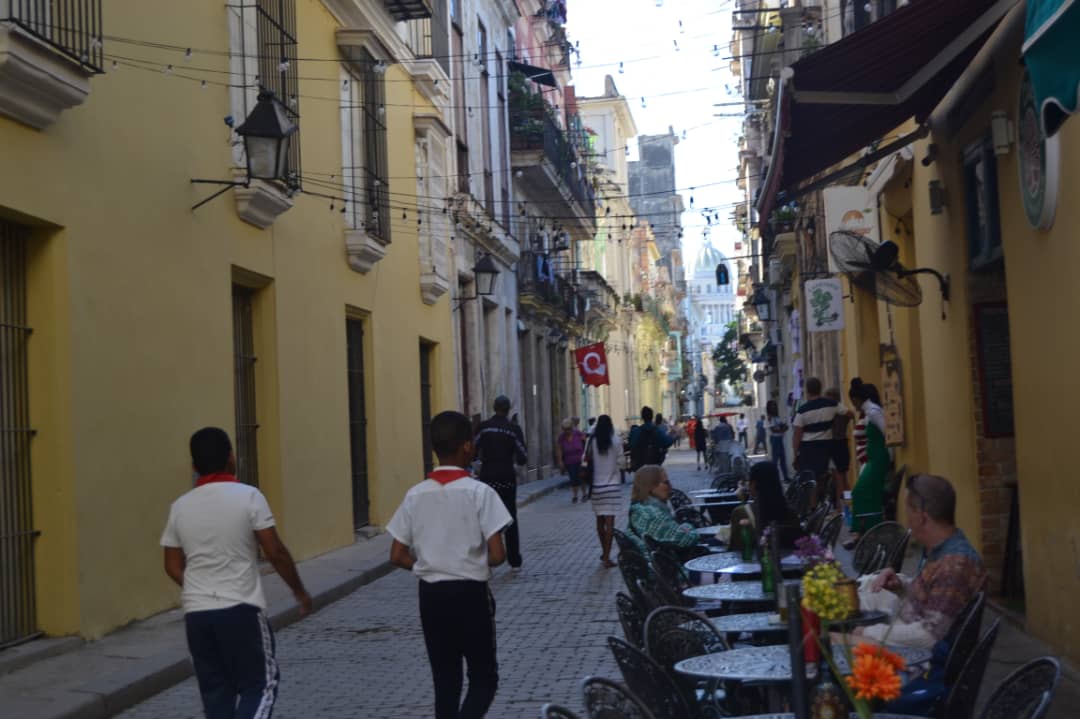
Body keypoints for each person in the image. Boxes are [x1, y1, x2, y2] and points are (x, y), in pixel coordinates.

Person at [161, 427, 312, 719]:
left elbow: (171, 565)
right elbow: (275, 552)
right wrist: (299, 591)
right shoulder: (249, 497)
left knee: (216, 693)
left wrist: (197, 585)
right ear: (232, 458)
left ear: (194, 466)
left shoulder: (180, 507)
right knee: (261, 685)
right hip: (241, 609)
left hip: (198, 615)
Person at [388, 411, 512, 719]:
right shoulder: (480, 493)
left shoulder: (415, 496)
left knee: (445, 683)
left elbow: (397, 554)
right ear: (467, 447)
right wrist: (469, 559)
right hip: (470, 594)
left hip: (431, 596)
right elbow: (498, 555)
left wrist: (427, 564)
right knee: (484, 678)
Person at [854, 474, 986, 648]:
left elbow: (928, 636)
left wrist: (868, 632)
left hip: (924, 662)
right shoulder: (942, 549)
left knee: (836, 640)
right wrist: (900, 586)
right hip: (906, 628)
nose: (907, 520)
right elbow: (931, 597)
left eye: (908, 512)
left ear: (922, 517)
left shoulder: (955, 565)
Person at [475, 395, 527, 570]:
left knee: (486, 517)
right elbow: (523, 457)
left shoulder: (483, 428)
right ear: (508, 408)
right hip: (506, 478)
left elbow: (473, 450)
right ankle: (514, 559)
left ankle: (488, 556)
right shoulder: (513, 429)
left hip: (488, 478)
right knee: (510, 518)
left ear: (493, 407)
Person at [842, 378, 889, 549]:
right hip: (873, 458)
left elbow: (887, 433)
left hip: (878, 458)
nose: (853, 405)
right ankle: (862, 532)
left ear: (857, 399)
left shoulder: (874, 412)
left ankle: (867, 531)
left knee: (861, 491)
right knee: (861, 492)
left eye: (853, 401)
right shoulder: (869, 412)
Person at [728, 461, 805, 553]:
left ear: (753, 484)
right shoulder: (791, 513)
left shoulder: (741, 513)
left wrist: (743, 502)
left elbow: (736, 548)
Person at [626, 465, 698, 556]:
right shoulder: (651, 515)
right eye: (666, 482)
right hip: (666, 567)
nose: (671, 486)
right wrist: (687, 526)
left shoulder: (640, 508)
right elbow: (687, 539)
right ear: (651, 486)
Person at [792, 377, 848, 484]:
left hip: (808, 450)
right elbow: (849, 413)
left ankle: (814, 500)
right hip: (828, 447)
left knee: (811, 481)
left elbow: (797, 435)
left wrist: (795, 455)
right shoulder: (832, 404)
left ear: (807, 391)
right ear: (820, 389)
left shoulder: (802, 411)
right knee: (839, 476)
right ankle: (842, 499)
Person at [583, 415, 622, 568]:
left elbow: (586, 459)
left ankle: (604, 552)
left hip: (597, 487)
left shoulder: (592, 441)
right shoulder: (617, 440)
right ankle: (607, 556)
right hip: (612, 486)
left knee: (599, 522)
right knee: (610, 524)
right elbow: (621, 462)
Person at [825, 387, 854, 507]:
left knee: (839, 479)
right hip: (841, 444)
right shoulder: (843, 411)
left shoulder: (835, 412)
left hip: (836, 445)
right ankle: (848, 505)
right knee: (842, 479)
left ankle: (841, 507)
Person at [627, 406, 673, 470]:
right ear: (652, 417)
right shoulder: (658, 431)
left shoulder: (636, 431)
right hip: (654, 463)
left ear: (642, 417)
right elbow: (668, 442)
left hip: (639, 465)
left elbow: (631, 445)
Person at [555, 418, 586, 504]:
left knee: (581, 477)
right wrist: (560, 461)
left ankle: (584, 494)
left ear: (572, 428)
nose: (567, 431)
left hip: (581, 459)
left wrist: (586, 458)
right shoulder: (561, 437)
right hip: (569, 461)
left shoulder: (578, 434)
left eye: (569, 429)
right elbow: (559, 449)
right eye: (565, 430)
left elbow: (586, 444)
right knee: (573, 478)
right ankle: (575, 495)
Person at [766, 400, 790, 482]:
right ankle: (773, 478)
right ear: (769, 408)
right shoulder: (770, 417)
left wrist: (781, 428)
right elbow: (774, 430)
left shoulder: (777, 417)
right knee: (775, 460)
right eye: (772, 406)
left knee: (783, 458)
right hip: (775, 439)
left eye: (775, 406)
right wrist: (781, 428)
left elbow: (786, 427)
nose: (774, 407)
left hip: (779, 439)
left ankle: (785, 477)